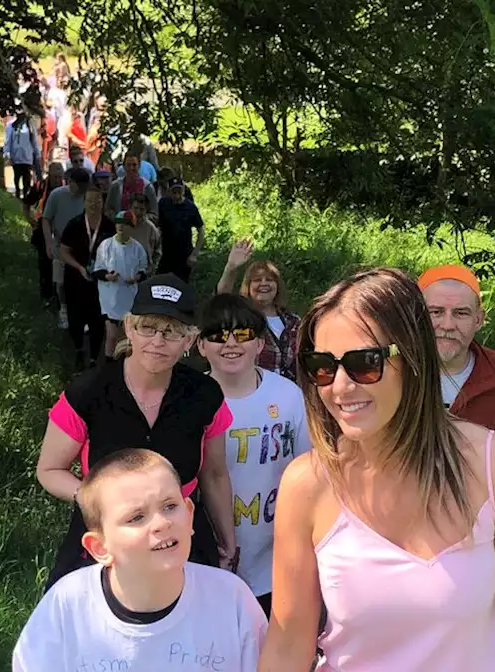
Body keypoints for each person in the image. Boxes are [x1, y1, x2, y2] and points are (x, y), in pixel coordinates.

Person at [258, 267, 495, 671]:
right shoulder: (309, 484)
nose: (339, 387)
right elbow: (287, 644)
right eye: (322, 365)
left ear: (414, 356)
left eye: (364, 363)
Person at [36, 273, 238, 589]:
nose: (158, 341)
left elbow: (214, 474)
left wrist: (227, 539)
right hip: (106, 538)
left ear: (188, 340)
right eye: (148, 327)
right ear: (129, 327)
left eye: (172, 332)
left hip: (180, 536)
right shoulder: (87, 392)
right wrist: (96, 499)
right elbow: (49, 469)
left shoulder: (205, 395)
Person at [13, 448, 267, 672]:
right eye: (136, 517)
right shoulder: (65, 607)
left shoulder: (231, 600)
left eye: (169, 506)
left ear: (189, 515)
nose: (161, 523)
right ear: (99, 547)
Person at [198, 294, 311, 617]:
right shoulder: (190, 403)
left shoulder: (288, 396)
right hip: (212, 554)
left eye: (243, 334)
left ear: (260, 344)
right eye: (218, 335)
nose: (230, 343)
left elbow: (308, 469)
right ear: (201, 345)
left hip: (277, 554)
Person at [418, 265, 495, 462]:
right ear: (416, 317)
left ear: (479, 320)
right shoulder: (394, 371)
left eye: (461, 313)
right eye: (435, 312)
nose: (448, 325)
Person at [217, 239, 302, 381]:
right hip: (251, 389)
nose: (264, 284)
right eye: (257, 280)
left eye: (269, 279)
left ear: (277, 286)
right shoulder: (240, 318)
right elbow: (220, 301)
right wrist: (230, 268)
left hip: (287, 393)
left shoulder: (293, 321)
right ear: (248, 286)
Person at [59, 189, 117, 370]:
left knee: (98, 321)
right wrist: (79, 267)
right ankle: (78, 349)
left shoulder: (109, 226)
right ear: (84, 202)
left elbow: (116, 251)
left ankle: (93, 358)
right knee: (75, 319)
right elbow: (63, 251)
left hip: (101, 283)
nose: (94, 204)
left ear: (103, 202)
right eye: (90, 200)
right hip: (76, 279)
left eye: (97, 200)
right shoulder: (74, 225)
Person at [93, 210, 149, 360]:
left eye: (125, 224)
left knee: (126, 337)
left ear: (131, 227)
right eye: (118, 223)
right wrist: (107, 276)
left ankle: (125, 366)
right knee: (111, 336)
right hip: (110, 297)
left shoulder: (137, 249)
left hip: (129, 298)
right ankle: (108, 365)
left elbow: (144, 271)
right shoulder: (106, 246)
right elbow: (97, 271)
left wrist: (136, 277)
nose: (121, 227)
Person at [42, 167, 92, 331]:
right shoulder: (57, 195)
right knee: (61, 282)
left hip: (82, 246)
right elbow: (46, 219)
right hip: (60, 244)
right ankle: (63, 310)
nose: (83, 190)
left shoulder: (87, 196)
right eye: (81, 186)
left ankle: (82, 314)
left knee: (82, 281)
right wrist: (49, 243)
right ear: (71, 183)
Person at [29, 162, 66, 306]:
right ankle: (46, 295)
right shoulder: (40, 187)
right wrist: (30, 220)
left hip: (60, 231)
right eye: (55, 176)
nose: (58, 179)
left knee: (59, 264)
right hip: (41, 232)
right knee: (44, 262)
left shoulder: (66, 187)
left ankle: (59, 296)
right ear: (49, 174)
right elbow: (26, 204)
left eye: (60, 176)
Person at [157, 177, 206, 282]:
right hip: (166, 254)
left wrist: (194, 254)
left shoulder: (190, 207)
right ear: (169, 191)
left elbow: (201, 230)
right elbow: (158, 226)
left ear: (183, 190)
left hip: (184, 254)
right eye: (174, 191)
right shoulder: (163, 204)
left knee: (180, 285)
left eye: (179, 190)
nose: (176, 194)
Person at [3, 103, 43, 196]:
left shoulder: (29, 125)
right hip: (16, 156)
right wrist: (7, 153)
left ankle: (26, 193)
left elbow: (34, 141)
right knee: (17, 175)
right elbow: (8, 141)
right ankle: (17, 191)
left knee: (26, 176)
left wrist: (37, 153)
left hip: (27, 156)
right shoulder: (11, 126)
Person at [107, 153, 159, 218]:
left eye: (134, 165)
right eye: (128, 165)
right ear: (123, 166)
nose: (131, 168)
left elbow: (154, 213)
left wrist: (141, 219)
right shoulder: (115, 186)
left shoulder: (147, 187)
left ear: (139, 166)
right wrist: (119, 218)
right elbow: (108, 209)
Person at [127, 192, 163, 272]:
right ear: (130, 208)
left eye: (142, 209)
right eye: (135, 208)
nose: (138, 212)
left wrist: (153, 267)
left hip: (144, 273)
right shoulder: (123, 225)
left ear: (146, 210)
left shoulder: (151, 228)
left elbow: (158, 250)